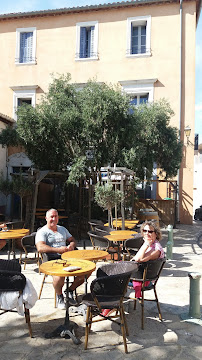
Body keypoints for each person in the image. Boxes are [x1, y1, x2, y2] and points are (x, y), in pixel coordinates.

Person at [35, 208, 84, 309]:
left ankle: (69, 290)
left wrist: (71, 245)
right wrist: (57, 249)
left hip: (67, 258)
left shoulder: (62, 229)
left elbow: (72, 239)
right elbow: (40, 247)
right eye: (51, 217)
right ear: (46, 218)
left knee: (84, 273)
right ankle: (59, 296)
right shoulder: (42, 232)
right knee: (59, 277)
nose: (53, 219)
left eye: (55, 216)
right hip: (52, 259)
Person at [131, 220, 165, 298]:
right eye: (145, 230)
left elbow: (138, 259)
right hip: (139, 275)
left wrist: (146, 244)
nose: (147, 233)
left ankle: (111, 306)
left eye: (150, 231)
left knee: (115, 278)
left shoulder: (156, 249)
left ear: (156, 234)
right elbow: (135, 258)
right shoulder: (151, 243)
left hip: (143, 279)